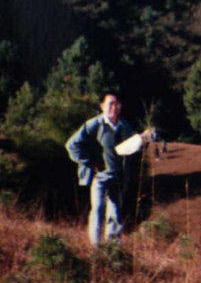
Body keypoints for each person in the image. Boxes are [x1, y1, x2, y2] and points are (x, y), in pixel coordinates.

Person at [65, 93, 154, 246]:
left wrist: (143, 140)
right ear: (102, 106)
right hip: (98, 177)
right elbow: (72, 145)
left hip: (118, 178)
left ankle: (112, 249)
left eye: (117, 104)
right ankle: (95, 247)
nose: (114, 107)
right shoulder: (94, 125)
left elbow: (129, 150)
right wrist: (89, 162)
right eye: (110, 104)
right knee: (98, 209)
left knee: (115, 214)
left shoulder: (125, 126)